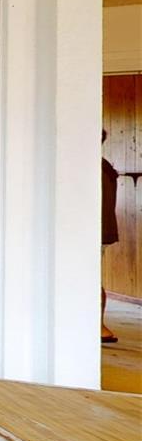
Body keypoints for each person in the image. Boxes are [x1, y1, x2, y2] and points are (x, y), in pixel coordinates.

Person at [102, 129, 120, 344]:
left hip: (96, 231)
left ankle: (99, 325)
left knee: (89, 279)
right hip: (101, 231)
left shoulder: (98, 168)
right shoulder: (104, 167)